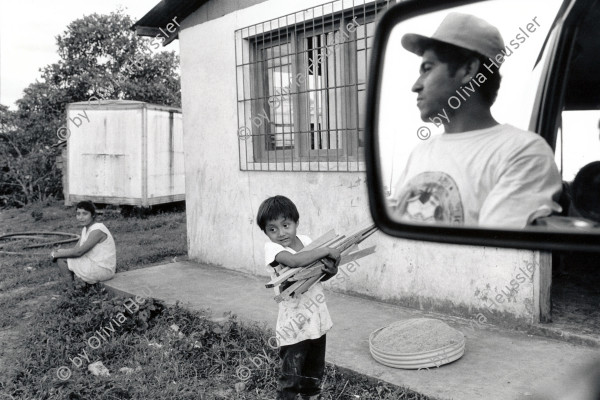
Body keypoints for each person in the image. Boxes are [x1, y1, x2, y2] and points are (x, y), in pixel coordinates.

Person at [389, 13, 562, 228]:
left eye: (427, 68)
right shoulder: (421, 151)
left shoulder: (523, 153)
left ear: (468, 70)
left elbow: (496, 252)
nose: (416, 85)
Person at [256, 195, 340, 400]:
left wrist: (332, 268)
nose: (281, 233)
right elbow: (294, 261)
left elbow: (322, 274)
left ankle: (312, 396)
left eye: (286, 225)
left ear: (296, 223)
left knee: (314, 372)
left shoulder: (309, 242)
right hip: (293, 323)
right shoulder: (274, 249)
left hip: (316, 317)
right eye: (272, 229)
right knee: (291, 375)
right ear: (266, 232)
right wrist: (328, 250)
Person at [51, 201, 116, 285]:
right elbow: (76, 249)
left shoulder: (98, 230)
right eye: (78, 214)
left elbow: (78, 252)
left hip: (103, 270)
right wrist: (59, 251)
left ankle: (70, 291)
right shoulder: (86, 229)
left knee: (61, 259)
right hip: (96, 266)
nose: (81, 217)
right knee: (61, 254)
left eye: (85, 214)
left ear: (93, 215)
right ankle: (76, 288)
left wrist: (55, 255)